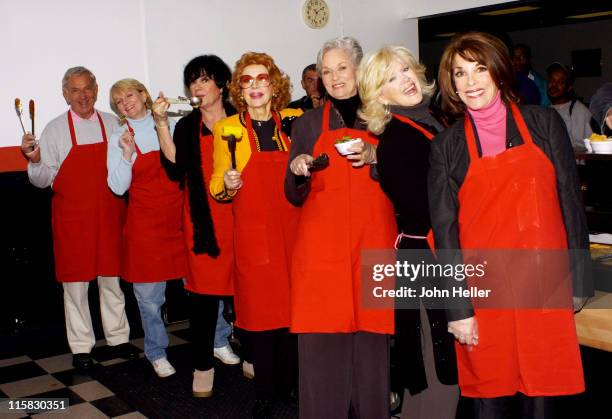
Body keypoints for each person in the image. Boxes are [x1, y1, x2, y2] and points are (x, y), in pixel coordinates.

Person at [429, 31, 592, 418]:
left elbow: (570, 203)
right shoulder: (446, 147)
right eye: (460, 73)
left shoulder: (543, 123)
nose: (471, 82)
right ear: (451, 84)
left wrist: (579, 280)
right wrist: (458, 310)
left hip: (544, 288)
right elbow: (446, 233)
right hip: (484, 299)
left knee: (544, 402)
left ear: (498, 72)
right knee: (491, 403)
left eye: (479, 69)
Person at [286, 36, 396, 419]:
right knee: (320, 354)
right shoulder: (307, 124)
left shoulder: (385, 118)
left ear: (359, 70)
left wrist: (376, 156)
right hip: (322, 254)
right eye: (326, 71)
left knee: (371, 357)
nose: (333, 78)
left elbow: (407, 178)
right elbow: (292, 194)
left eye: (342, 68)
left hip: (374, 247)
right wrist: (297, 170)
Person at [357, 45, 459, 419]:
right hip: (425, 254)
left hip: (434, 252)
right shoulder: (398, 138)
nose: (405, 80)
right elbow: (426, 208)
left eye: (406, 70)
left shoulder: (432, 120)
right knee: (438, 362)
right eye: (391, 78)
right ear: (379, 94)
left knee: (434, 363)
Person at [20, 66, 137, 371]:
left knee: (111, 281)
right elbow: (42, 180)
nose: (83, 96)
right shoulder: (55, 130)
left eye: (88, 89)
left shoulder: (113, 123)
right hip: (73, 220)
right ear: (65, 94)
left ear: (96, 90)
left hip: (110, 216)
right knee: (76, 288)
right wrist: (35, 161)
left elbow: (125, 167)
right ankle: (82, 348)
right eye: (75, 90)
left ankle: (118, 339)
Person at [210, 52, 302, 418]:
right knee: (262, 320)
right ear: (239, 90)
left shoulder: (295, 122)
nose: (254, 86)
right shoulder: (228, 129)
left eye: (261, 78)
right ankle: (264, 391)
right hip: (253, 237)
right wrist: (229, 184)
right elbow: (217, 183)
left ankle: (289, 385)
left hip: (294, 234)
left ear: (274, 83)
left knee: (293, 317)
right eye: (245, 81)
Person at [153, 55, 240, 396]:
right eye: (193, 81)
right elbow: (175, 169)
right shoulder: (187, 126)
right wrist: (161, 123)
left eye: (204, 80)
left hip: (242, 220)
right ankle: (202, 366)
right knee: (203, 300)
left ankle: (252, 356)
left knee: (248, 295)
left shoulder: (241, 121)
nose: (197, 87)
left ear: (221, 85)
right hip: (202, 223)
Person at [107, 78, 185, 378]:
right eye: (118, 101)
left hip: (180, 218)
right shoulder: (119, 136)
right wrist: (126, 154)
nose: (125, 102)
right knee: (150, 300)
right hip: (145, 227)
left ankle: (218, 340)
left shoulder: (171, 124)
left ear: (143, 95)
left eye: (129, 95)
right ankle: (156, 352)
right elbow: (116, 186)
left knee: (204, 286)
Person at [547, 62, 593, 151]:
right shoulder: (546, 110)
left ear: (569, 87)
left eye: (560, 82)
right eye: (551, 80)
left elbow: (584, 147)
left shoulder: (579, 111)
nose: (554, 85)